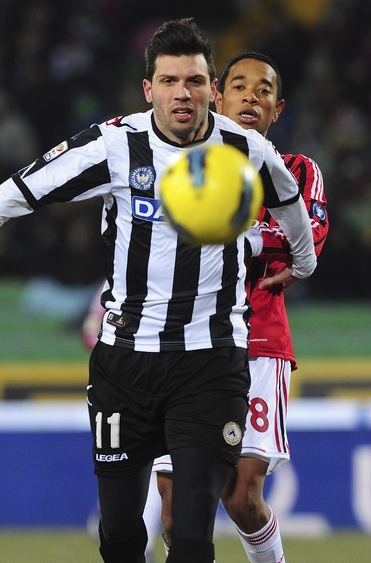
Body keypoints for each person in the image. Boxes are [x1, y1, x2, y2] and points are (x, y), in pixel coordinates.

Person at [0, 20, 317, 563]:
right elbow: (12, 194)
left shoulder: (245, 149)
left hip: (211, 363)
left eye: (194, 81)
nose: (182, 94)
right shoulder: (114, 145)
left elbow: (291, 207)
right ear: (148, 89)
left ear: (212, 88)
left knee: (190, 535)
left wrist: (303, 263)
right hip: (126, 366)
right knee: (119, 537)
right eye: (169, 81)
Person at [154, 52, 329, 562]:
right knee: (174, 508)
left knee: (242, 498)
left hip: (259, 341)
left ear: (278, 108)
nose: (251, 96)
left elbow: (308, 237)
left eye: (264, 90)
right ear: (216, 96)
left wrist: (231, 235)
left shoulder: (298, 171)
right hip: (184, 339)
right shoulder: (182, 169)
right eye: (239, 86)